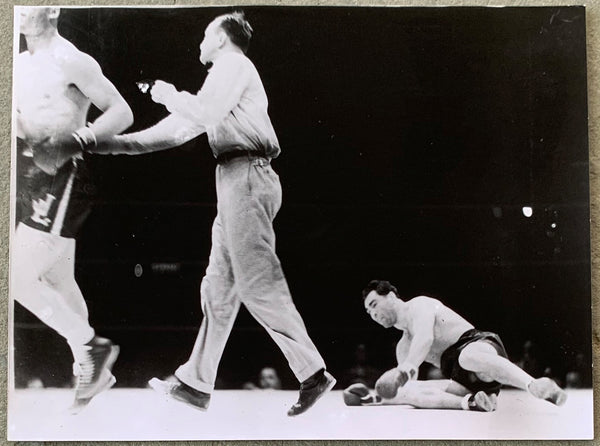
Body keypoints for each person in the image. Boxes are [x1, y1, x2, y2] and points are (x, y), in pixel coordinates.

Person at [90, 11, 335, 416]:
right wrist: (107, 144)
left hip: (248, 175)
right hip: (234, 178)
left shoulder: (234, 64)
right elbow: (171, 133)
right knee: (218, 290)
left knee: (257, 282)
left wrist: (167, 93)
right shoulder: (220, 84)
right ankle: (195, 384)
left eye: (206, 35)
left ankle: (312, 372)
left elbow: (201, 113)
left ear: (222, 38)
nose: (200, 43)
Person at [13, 7, 133, 413]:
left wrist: (76, 139)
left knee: (14, 279)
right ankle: (89, 374)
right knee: (59, 280)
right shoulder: (16, 63)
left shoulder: (74, 59)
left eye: (32, 3)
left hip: (64, 175)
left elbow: (121, 111)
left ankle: (89, 348)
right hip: (30, 175)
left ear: (53, 8)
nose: (23, 11)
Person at [343, 280, 567, 411]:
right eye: (369, 312)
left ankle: (535, 385)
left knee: (466, 357)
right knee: (411, 392)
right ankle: (472, 403)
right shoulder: (403, 346)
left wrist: (406, 368)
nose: (373, 314)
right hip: (461, 378)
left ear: (391, 296)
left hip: (478, 348)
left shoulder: (419, 305)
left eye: (374, 305)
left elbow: (425, 338)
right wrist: (374, 398)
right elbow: (404, 387)